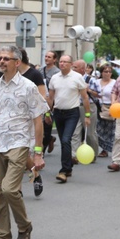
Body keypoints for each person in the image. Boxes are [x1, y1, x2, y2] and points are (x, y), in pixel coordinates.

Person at [0, 46, 46, 239]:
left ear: (17, 62)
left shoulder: (29, 86)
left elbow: (37, 119)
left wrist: (38, 152)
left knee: (9, 188)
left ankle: (24, 226)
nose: (2, 61)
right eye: (0, 58)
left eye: (7, 58)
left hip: (19, 142)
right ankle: (3, 237)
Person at [47, 55, 91, 183]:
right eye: (60, 61)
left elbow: (85, 97)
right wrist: (48, 113)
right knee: (63, 141)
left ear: (71, 64)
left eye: (65, 62)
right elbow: (50, 98)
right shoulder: (54, 78)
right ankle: (69, 166)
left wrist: (87, 115)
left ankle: (64, 170)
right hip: (58, 113)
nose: (62, 64)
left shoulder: (77, 78)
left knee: (66, 139)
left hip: (72, 113)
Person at [18, 48, 47, 196]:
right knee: (17, 154)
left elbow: (42, 96)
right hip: (15, 119)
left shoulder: (34, 74)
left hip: (31, 118)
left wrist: (42, 114)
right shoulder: (10, 75)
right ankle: (18, 190)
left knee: (24, 154)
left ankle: (35, 174)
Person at [71, 59, 100, 161]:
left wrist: (89, 90)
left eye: (75, 67)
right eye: (73, 67)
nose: (72, 69)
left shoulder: (90, 80)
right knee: (75, 131)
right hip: (75, 106)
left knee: (90, 132)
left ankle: (92, 154)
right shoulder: (71, 79)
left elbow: (99, 94)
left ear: (82, 69)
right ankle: (74, 155)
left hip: (89, 107)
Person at [95, 63, 118, 158]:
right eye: (105, 71)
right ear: (101, 73)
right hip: (97, 106)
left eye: (109, 72)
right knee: (98, 129)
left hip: (110, 107)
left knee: (109, 129)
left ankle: (106, 149)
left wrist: (114, 106)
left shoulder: (114, 82)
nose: (107, 73)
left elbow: (118, 94)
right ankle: (101, 146)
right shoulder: (96, 82)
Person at [41, 51, 60, 153]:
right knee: (41, 126)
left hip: (52, 101)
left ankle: (46, 143)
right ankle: (49, 139)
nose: (46, 58)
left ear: (54, 59)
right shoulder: (41, 70)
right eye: (46, 56)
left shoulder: (57, 72)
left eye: (49, 57)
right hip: (41, 100)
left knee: (47, 125)